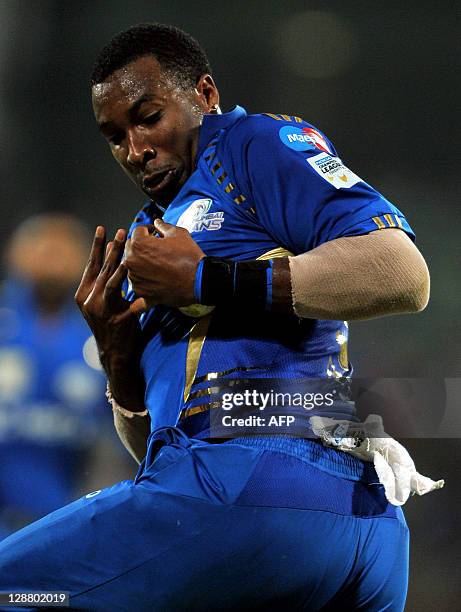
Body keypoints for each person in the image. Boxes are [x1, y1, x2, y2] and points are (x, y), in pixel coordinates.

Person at [0, 23, 442, 611]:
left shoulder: (250, 146)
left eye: (148, 116)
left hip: (255, 496)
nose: (135, 149)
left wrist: (212, 279)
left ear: (204, 96)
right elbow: (160, 461)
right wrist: (119, 358)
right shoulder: (148, 246)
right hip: (353, 532)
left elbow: (404, 273)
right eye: (115, 135)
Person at [0, 214, 114, 539]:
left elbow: (124, 437)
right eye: (41, 244)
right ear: (13, 253)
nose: (53, 254)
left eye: (64, 246)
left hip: (61, 524)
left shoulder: (99, 340)